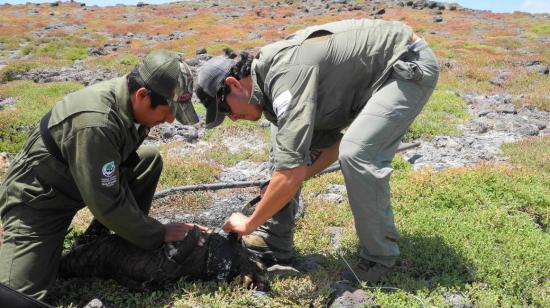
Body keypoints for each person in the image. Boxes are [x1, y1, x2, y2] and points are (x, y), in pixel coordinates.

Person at [195, 18, 439, 283]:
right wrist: (286, 182)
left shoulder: (284, 75)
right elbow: (322, 152)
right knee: (284, 145)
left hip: (403, 66)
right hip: (361, 85)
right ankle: (272, 242)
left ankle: (379, 260)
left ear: (233, 84)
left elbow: (295, 170)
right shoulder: (267, 83)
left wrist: (249, 221)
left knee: (357, 153)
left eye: (226, 110)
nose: (231, 118)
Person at [0, 50, 206, 301]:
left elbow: (107, 179)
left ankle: (103, 241)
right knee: (18, 296)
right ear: (142, 95)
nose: (171, 120)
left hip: (81, 180)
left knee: (148, 160)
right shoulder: (96, 122)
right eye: (167, 110)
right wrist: (158, 232)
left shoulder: (131, 100)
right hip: (39, 199)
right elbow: (105, 202)